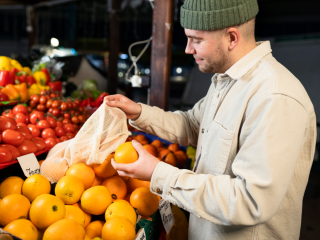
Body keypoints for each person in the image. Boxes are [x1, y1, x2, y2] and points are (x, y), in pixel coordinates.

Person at [106, 0, 317, 239]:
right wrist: (140, 113)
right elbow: (193, 125)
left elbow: (251, 201)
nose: (188, 49)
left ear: (232, 38)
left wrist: (159, 173)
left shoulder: (274, 97)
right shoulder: (226, 81)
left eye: (196, 40)